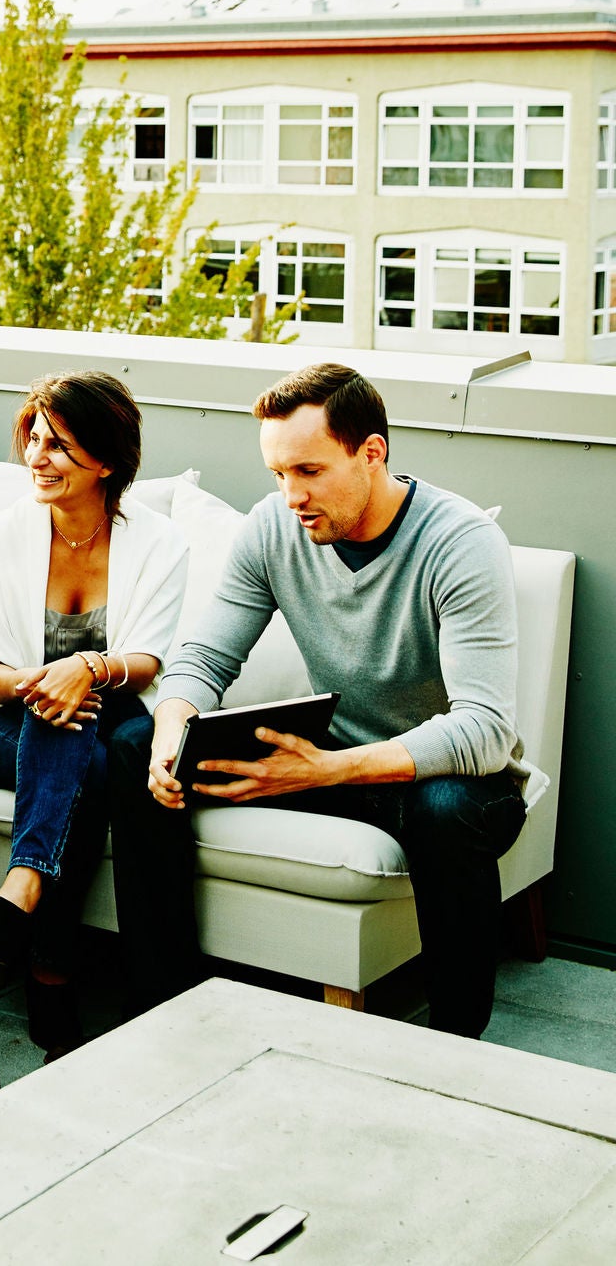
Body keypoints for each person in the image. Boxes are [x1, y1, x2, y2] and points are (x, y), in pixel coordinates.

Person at [109, 363, 532, 1039]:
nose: (291, 495)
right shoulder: (273, 528)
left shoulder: (461, 541)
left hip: (449, 781)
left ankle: (457, 1044)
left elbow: (483, 728)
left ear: (371, 452)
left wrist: (329, 769)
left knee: (445, 807)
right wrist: (172, 724)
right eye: (278, 474)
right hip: (331, 761)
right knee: (134, 745)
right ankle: (162, 1005)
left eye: (308, 471)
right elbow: (204, 658)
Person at [0, 371, 188, 1059]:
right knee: (69, 728)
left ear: (107, 461)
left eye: (61, 445)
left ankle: (34, 930)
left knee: (96, 739)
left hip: (111, 713)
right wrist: (44, 682)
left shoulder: (158, 541)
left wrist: (85, 668)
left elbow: (147, 659)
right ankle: (47, 956)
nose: (39, 458)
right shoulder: (2, 535)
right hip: (6, 721)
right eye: (35, 439)